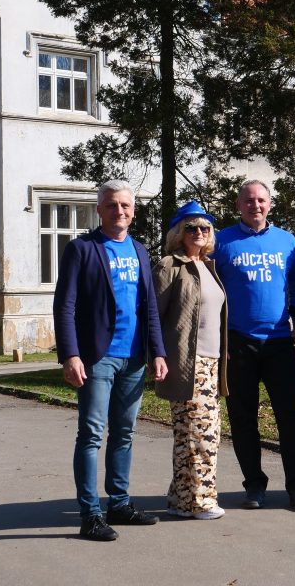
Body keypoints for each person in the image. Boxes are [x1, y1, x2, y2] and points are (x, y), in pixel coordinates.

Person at [53, 179, 168, 542]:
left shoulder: (140, 250)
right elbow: (65, 306)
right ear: (99, 210)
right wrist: (70, 354)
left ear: (133, 211)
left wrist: (158, 351)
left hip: (133, 358)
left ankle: (119, 503)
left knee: (124, 433)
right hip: (97, 357)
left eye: (125, 206)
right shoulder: (81, 249)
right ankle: (90, 514)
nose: (119, 211)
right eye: (112, 205)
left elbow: (148, 306)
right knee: (90, 434)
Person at [213, 180, 295, 512]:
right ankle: (254, 485)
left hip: (279, 341)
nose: (255, 205)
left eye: (261, 200)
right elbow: (209, 289)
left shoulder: (287, 242)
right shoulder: (222, 241)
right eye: (248, 200)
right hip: (238, 342)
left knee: (292, 416)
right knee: (242, 418)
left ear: (270, 204)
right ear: (238, 205)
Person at [153, 201, 229, 520]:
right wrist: (157, 354)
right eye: (191, 227)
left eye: (205, 228)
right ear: (178, 233)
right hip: (187, 361)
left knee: (191, 432)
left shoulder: (210, 266)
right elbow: (153, 315)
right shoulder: (170, 265)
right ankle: (199, 500)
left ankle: (182, 498)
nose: (199, 232)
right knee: (201, 432)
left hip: (212, 362)